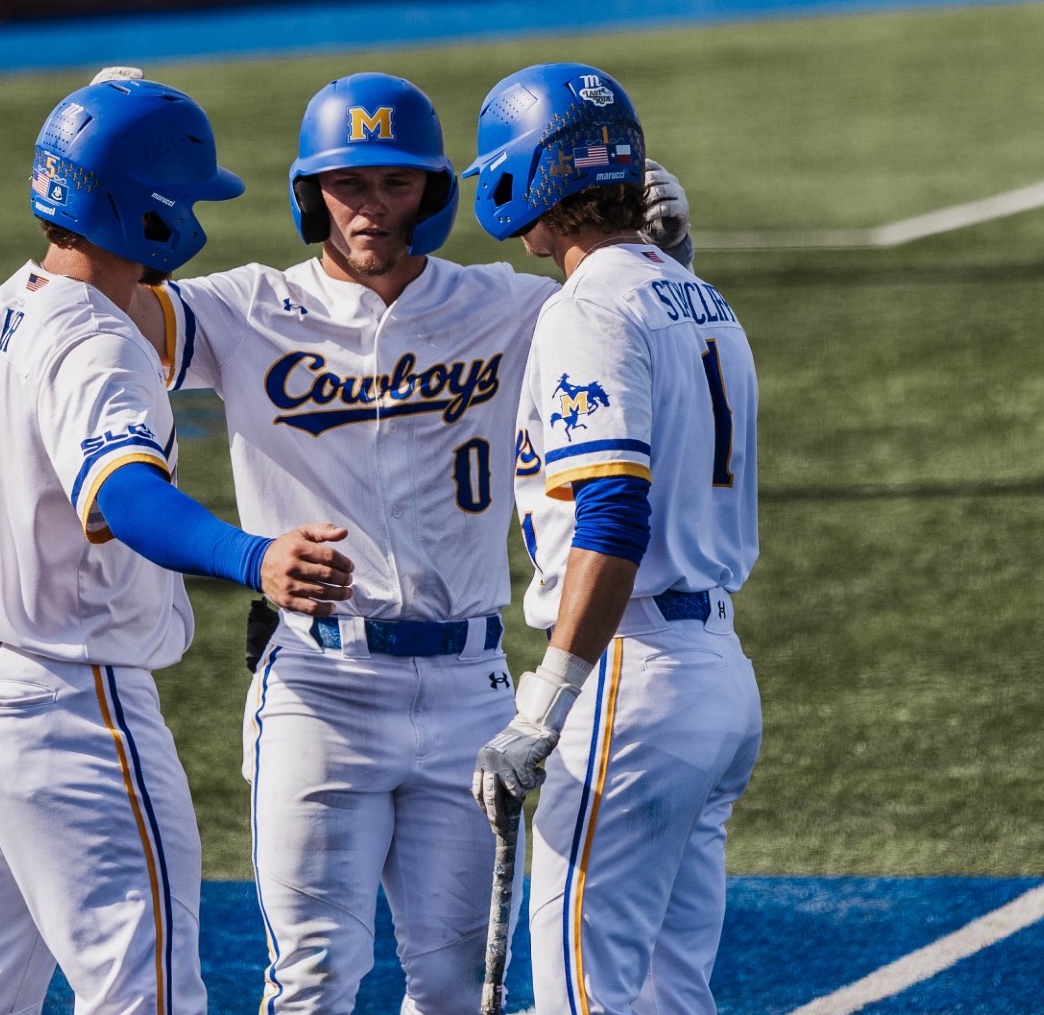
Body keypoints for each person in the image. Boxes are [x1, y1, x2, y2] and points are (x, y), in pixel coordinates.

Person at [98, 65, 692, 1011]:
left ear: (433, 193)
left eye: (394, 182)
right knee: (314, 977)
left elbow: (630, 336)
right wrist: (105, 169)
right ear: (310, 194)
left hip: (471, 688)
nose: (370, 207)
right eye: (348, 184)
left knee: (454, 985)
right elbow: (92, 311)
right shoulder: (242, 306)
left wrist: (663, 256)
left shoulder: (509, 303)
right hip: (317, 688)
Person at [0, 78, 355, 1014]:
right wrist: (252, 556)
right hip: (62, 704)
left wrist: (29, 468)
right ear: (149, 209)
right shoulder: (101, 342)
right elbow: (127, 496)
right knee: (148, 998)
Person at [465, 63, 763, 1015]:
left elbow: (613, 517)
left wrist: (543, 705)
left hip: (631, 681)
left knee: (581, 998)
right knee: (673, 996)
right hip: (715, 673)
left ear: (532, 178)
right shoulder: (700, 298)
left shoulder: (588, 309)